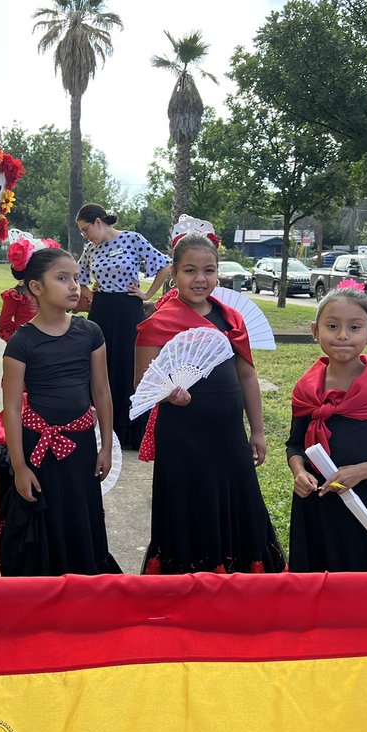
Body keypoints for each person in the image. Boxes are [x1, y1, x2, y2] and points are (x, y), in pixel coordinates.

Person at [135, 224, 284, 574]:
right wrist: (168, 394)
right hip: (182, 436)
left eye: (209, 270)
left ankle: (239, 576)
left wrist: (258, 431)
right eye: (190, 270)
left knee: (240, 500)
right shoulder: (158, 322)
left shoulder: (230, 318)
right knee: (190, 503)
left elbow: (247, 374)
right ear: (173, 273)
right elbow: (142, 380)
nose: (200, 279)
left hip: (229, 433)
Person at [0, 245, 120, 575]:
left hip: (80, 445)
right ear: (36, 287)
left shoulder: (90, 333)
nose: (74, 287)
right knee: (43, 511)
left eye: (77, 278)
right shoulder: (21, 342)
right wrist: (19, 465)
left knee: (81, 509)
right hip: (37, 448)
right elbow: (11, 408)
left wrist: (105, 447)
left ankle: (84, 575)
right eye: (62, 278)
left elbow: (102, 392)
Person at [287, 280, 367, 572]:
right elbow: (295, 445)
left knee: (364, 587)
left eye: (355, 327)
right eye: (332, 326)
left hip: (359, 503)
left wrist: (360, 471)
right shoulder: (306, 390)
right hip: (312, 503)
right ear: (314, 330)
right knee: (312, 585)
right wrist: (299, 472)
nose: (343, 335)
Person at [77, 203, 171, 449]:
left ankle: (129, 430)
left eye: (86, 229)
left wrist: (147, 293)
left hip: (128, 309)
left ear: (99, 222)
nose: (85, 235)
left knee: (128, 364)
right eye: (82, 232)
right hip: (101, 310)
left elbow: (165, 265)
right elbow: (80, 276)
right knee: (100, 364)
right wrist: (89, 294)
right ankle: (100, 428)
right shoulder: (89, 248)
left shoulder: (132, 239)